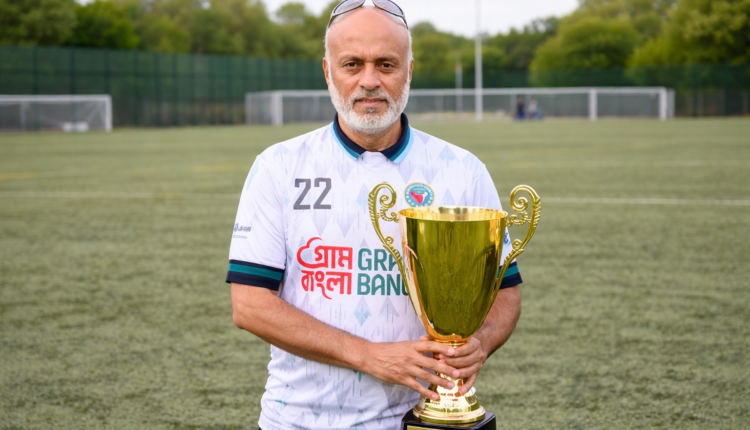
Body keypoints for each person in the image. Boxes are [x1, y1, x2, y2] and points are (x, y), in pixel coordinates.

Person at [227, 1, 523, 429]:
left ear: (409, 70)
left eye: (386, 64)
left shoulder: (462, 170)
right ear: (328, 71)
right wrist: (368, 356)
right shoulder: (279, 166)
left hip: (419, 420)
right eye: (352, 64)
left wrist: (480, 341)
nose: (369, 80)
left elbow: (505, 292)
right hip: (297, 420)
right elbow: (249, 305)